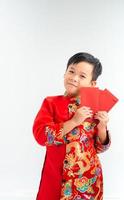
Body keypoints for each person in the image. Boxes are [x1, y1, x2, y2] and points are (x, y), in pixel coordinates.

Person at [32, 52, 111, 200]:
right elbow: (41, 135)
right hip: (56, 177)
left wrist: (102, 127)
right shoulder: (51, 103)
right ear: (65, 73)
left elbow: (100, 147)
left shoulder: (95, 107)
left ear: (92, 84)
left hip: (87, 180)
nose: (74, 78)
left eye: (82, 76)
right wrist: (74, 121)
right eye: (71, 71)